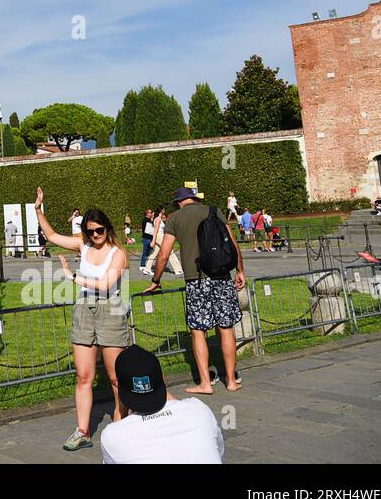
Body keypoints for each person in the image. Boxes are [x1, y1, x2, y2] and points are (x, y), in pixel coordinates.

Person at [34, 187, 130, 451]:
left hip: (110, 310)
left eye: (99, 230)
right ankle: (82, 431)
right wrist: (38, 209)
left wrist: (72, 276)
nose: (95, 236)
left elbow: (105, 284)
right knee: (83, 375)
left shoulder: (118, 253)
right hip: (84, 311)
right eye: (90, 231)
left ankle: (123, 425)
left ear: (107, 228)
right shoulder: (83, 244)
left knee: (115, 377)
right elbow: (52, 235)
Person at [143, 187, 245, 396]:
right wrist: (240, 271)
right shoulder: (213, 211)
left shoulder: (175, 218)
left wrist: (156, 279)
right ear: (194, 198)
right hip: (222, 276)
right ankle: (232, 381)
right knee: (226, 328)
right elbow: (233, 244)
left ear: (179, 202)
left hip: (196, 280)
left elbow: (164, 255)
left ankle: (206, 384)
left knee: (198, 331)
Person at [100, 346, 224, 464]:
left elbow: (116, 450)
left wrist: (120, 408)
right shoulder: (199, 409)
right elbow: (218, 452)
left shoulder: (111, 435)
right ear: (163, 378)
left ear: (118, 385)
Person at [139, 208, 155, 274]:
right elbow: (148, 230)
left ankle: (145, 265)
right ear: (147, 214)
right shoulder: (146, 220)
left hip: (149, 238)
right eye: (150, 213)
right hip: (146, 238)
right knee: (145, 252)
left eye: (151, 213)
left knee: (149, 252)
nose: (151, 214)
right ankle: (142, 265)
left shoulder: (148, 220)